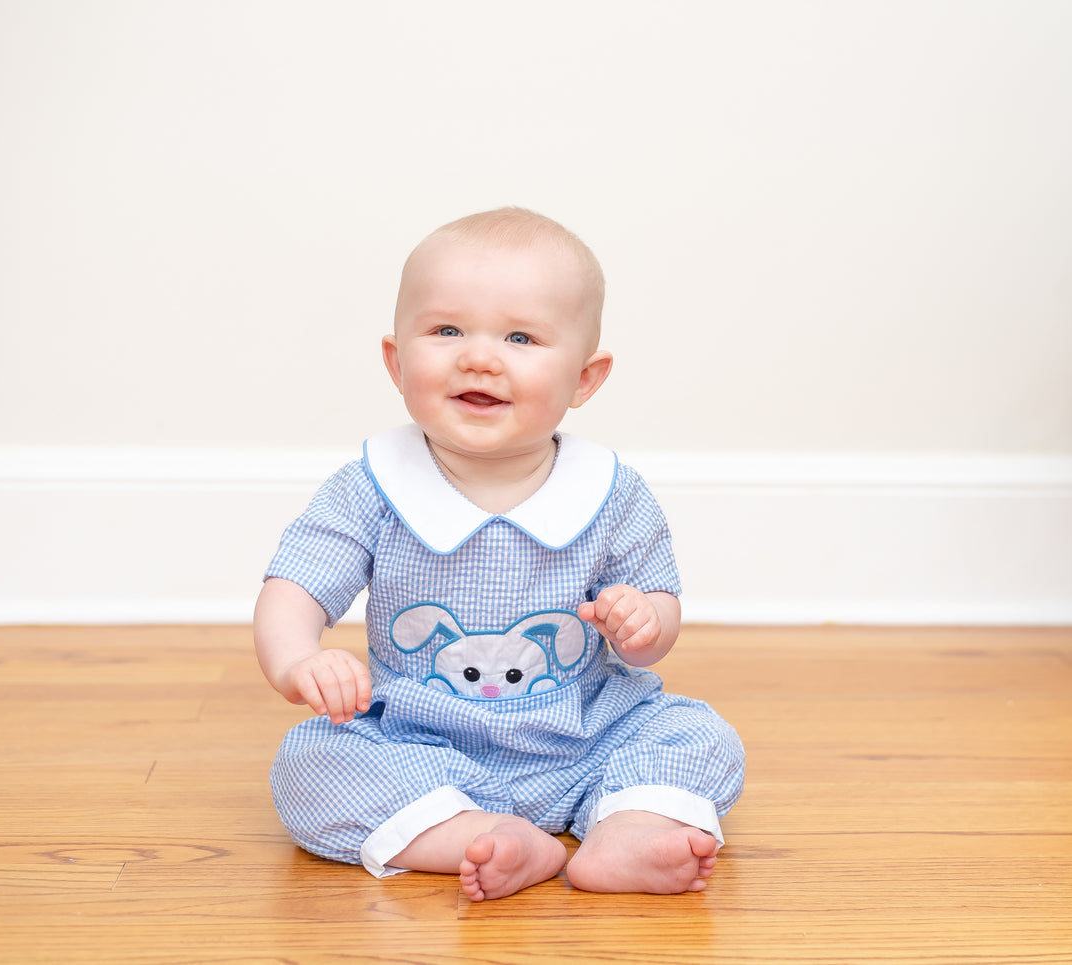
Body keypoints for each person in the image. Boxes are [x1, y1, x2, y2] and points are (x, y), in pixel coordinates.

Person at [253, 207, 746, 901]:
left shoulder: (610, 492)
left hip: (586, 731)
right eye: (446, 330)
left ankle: (628, 829)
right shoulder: (372, 486)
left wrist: (643, 621)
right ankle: (478, 832)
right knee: (309, 762)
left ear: (584, 378)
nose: (478, 356)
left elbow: (653, 627)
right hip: (422, 743)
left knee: (698, 733)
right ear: (397, 361)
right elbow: (296, 584)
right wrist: (299, 657)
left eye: (520, 336)